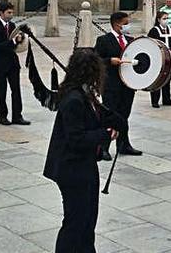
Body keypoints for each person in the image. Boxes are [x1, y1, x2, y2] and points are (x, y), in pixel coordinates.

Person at [43, 49, 122, 253]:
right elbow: (76, 139)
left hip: (84, 165)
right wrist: (105, 134)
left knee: (88, 221)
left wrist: (116, 122)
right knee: (76, 221)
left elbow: (97, 116)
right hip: (72, 168)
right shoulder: (74, 99)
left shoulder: (83, 94)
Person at [94, 12, 142, 159]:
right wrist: (110, 61)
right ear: (117, 24)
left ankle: (123, 144)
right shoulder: (104, 40)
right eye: (126, 23)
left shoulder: (130, 40)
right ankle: (103, 147)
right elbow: (96, 60)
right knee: (109, 115)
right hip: (111, 84)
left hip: (127, 85)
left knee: (124, 115)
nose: (128, 26)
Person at [0, 3, 30, 126]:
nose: (11, 15)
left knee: (16, 90)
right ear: (1, 13)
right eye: (9, 13)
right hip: (0, 63)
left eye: (12, 12)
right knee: (1, 90)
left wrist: (22, 38)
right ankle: (2, 116)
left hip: (12, 63)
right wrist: (13, 41)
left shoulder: (12, 26)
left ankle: (17, 115)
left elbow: (17, 44)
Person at [147, 11, 171, 108]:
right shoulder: (154, 31)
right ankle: (155, 101)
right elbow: (150, 45)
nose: (166, 20)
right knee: (157, 79)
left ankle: (166, 99)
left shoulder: (170, 29)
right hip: (158, 59)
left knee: (167, 78)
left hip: (169, 59)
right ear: (158, 20)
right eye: (164, 18)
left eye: (167, 18)